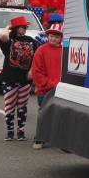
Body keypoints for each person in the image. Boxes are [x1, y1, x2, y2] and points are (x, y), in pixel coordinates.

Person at [0, 16, 36, 141]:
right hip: (9, 78)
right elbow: (3, 36)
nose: (24, 29)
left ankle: (21, 131)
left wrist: (31, 71)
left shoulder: (30, 40)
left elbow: (36, 58)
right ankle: (10, 132)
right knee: (9, 106)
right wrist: (9, 27)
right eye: (21, 27)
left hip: (25, 79)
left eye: (25, 27)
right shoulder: (9, 40)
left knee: (22, 106)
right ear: (15, 28)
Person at [30, 21, 63, 149]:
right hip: (45, 89)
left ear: (61, 38)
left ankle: (60, 139)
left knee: (60, 114)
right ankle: (39, 138)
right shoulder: (41, 50)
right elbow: (36, 71)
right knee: (44, 113)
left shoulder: (65, 50)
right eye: (51, 36)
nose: (53, 38)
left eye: (56, 36)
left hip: (61, 88)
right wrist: (48, 84)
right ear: (47, 36)